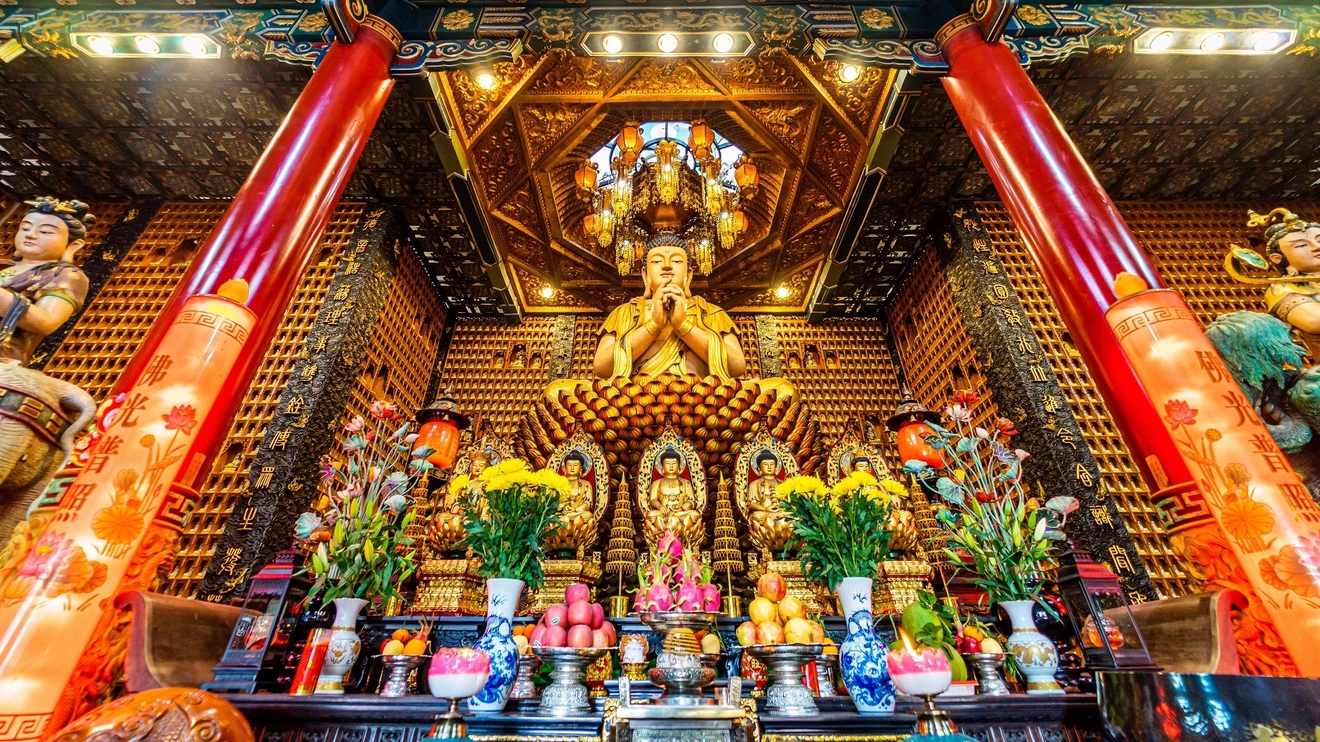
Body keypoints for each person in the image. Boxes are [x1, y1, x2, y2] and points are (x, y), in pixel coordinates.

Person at [594, 234, 746, 381]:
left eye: (677, 261)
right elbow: (601, 368)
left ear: (689, 275)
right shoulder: (624, 312)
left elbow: (737, 367)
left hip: (698, 398)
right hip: (637, 398)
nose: (666, 266)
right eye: (657, 261)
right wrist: (653, 326)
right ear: (645, 275)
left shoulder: (711, 312)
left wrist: (683, 326)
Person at [0, 197, 93, 367]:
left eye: (45, 232)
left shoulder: (65, 275)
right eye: (25, 228)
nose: (31, 234)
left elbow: (46, 322)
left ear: (73, 245)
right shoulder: (3, 266)